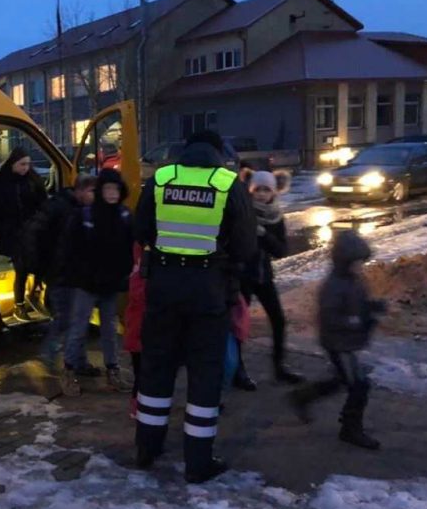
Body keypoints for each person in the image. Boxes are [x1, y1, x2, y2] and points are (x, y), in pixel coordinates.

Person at [133, 129, 256, 484]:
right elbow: (247, 246)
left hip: (163, 289)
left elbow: (142, 230)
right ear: (218, 152)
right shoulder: (227, 183)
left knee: (156, 369)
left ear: (185, 151)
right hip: (208, 292)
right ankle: (197, 462)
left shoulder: (161, 178)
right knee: (205, 376)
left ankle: (147, 449)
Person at [290, 230, 386, 449]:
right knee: (359, 385)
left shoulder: (353, 280)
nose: (360, 266)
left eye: (361, 262)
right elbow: (330, 317)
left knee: (339, 380)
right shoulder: (333, 285)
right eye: (356, 262)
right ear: (344, 261)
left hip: (347, 341)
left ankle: (302, 397)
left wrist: (372, 306)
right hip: (338, 342)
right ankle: (350, 429)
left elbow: (358, 304)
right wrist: (354, 321)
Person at [23, 175, 98, 395]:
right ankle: (49, 354)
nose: (96, 197)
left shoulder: (72, 208)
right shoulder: (61, 208)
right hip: (60, 273)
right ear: (81, 191)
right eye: (93, 192)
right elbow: (35, 235)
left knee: (79, 318)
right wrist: (40, 267)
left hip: (72, 273)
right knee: (66, 318)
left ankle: (78, 361)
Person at [63, 168, 134, 391]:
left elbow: (129, 249)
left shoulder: (124, 216)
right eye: (107, 189)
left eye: (115, 189)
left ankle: (112, 370)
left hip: (110, 282)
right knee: (79, 327)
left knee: (109, 330)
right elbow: (71, 248)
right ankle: (69, 372)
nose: (112, 193)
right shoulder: (85, 216)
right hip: (87, 282)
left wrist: (124, 273)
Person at [233, 170, 301, 390]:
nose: (261, 195)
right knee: (238, 324)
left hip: (263, 275)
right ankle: (238, 370)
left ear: (274, 191)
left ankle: (280, 367)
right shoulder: (243, 212)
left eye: (266, 190)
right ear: (250, 190)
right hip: (242, 275)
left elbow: (281, 250)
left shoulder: (276, 216)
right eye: (257, 189)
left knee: (278, 320)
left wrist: (262, 233)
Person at [0, 147, 47, 321]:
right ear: (12, 164)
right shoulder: (0, 183)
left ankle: (34, 294)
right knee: (21, 269)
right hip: (13, 232)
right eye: (22, 164)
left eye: (27, 164)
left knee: (39, 264)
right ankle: (19, 305)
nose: (25, 168)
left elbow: (42, 202)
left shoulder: (33, 180)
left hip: (32, 230)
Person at [124, 242, 147, 419]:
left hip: (138, 328)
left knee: (142, 371)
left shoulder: (137, 273)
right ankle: (139, 405)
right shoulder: (141, 275)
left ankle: (138, 404)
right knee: (143, 372)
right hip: (142, 329)